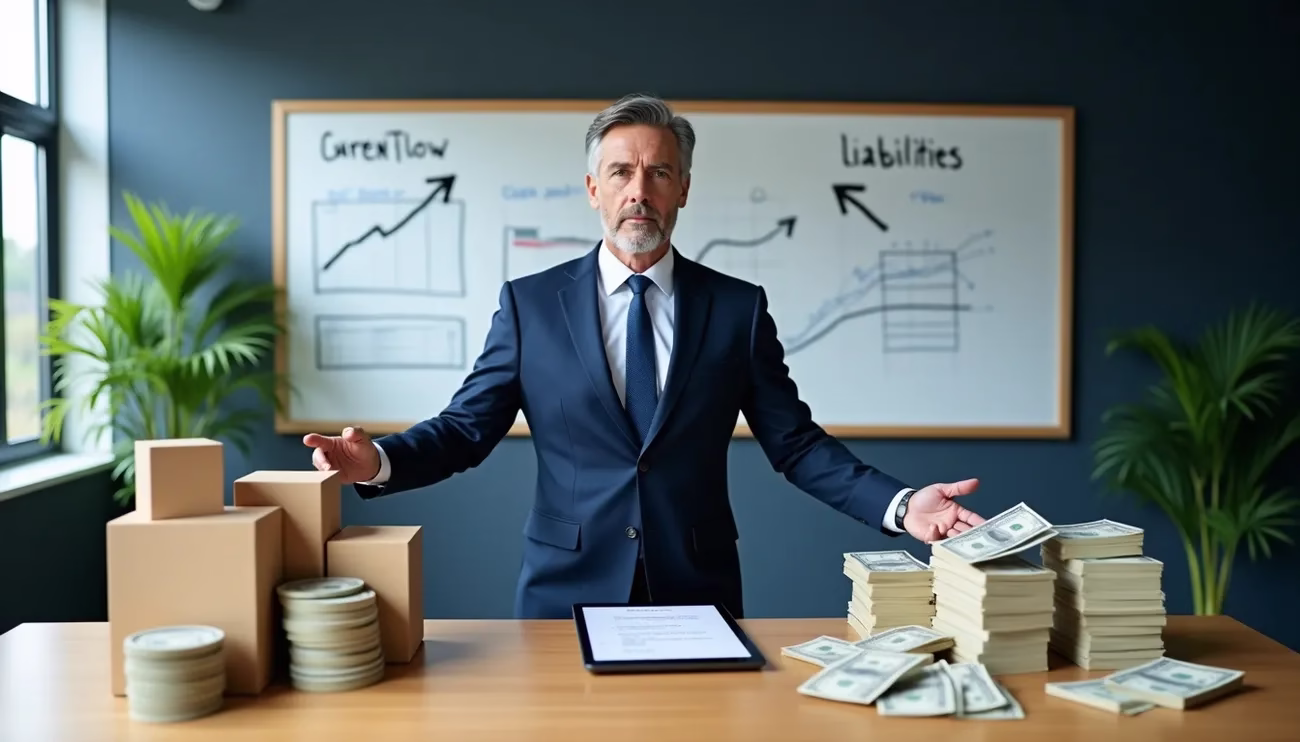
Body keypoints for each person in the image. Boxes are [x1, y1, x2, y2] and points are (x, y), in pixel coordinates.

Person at [303, 93, 987, 620]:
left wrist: (901, 506)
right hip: (563, 591)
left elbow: (798, 446)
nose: (640, 190)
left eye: (659, 172)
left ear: (683, 188)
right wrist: (379, 462)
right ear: (594, 188)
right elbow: (465, 429)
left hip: (697, 590)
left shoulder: (737, 308)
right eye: (621, 172)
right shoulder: (530, 305)